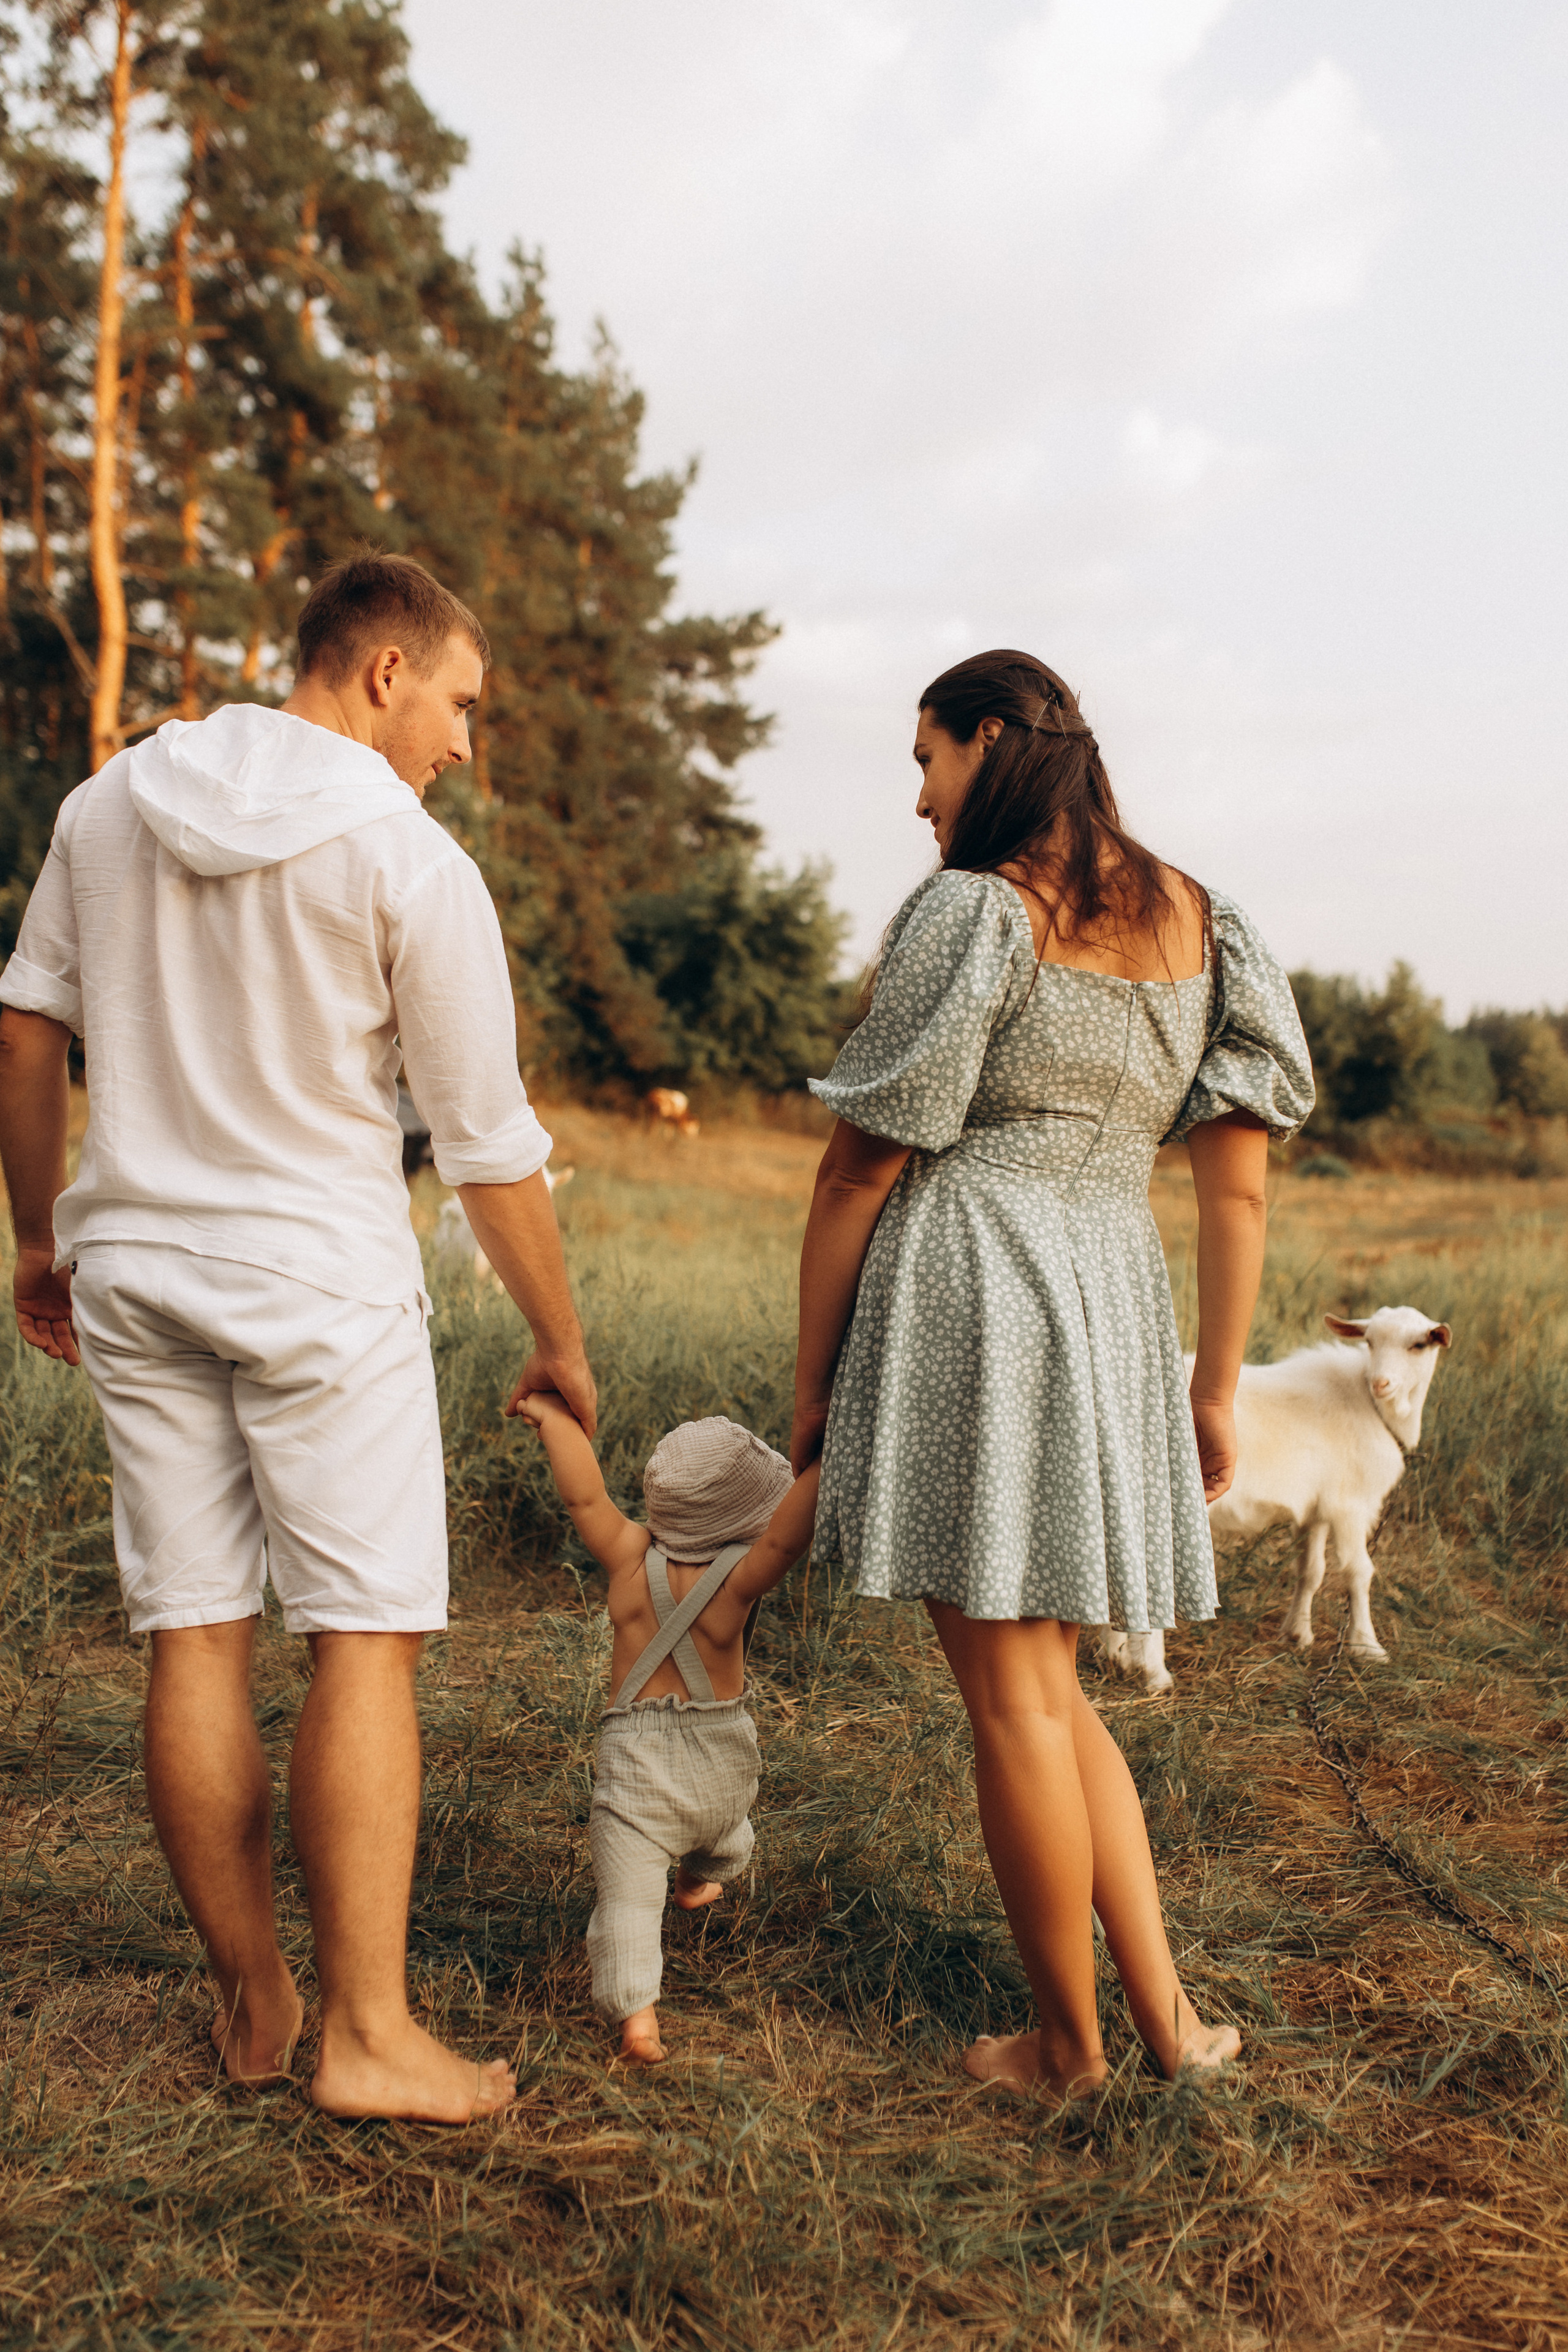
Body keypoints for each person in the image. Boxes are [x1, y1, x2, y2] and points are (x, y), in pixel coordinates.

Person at [0, 552, 597, 2123]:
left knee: (194, 1632)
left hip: (137, 1267)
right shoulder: (407, 859)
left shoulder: (108, 807)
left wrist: (39, 1238)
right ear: (385, 670)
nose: (461, 741)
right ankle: (370, 2035)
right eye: (459, 702)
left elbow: (26, 1022)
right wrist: (559, 1337)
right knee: (361, 1641)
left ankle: (256, 1999)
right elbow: (487, 1146)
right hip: (322, 1284)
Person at [791, 649, 1313, 2099]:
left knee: (1017, 1703)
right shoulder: (1201, 920)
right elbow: (1235, 1193)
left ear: (989, 741)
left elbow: (855, 1169)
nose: (918, 798)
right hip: (1107, 1298)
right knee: (1052, 1693)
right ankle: (1165, 2027)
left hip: (972, 1284)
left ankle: (1065, 2052)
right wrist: (1211, 1384)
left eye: (925, 760)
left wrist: (815, 1379)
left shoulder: (976, 912)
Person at [516, 1400, 820, 2063]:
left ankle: (640, 2025)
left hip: (635, 1771)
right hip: (721, 1767)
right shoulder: (736, 1582)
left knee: (628, 1903)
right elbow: (784, 1541)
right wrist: (829, 1458)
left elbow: (585, 1498)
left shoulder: (629, 1559)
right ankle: (696, 1881)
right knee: (727, 1834)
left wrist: (555, 1422)